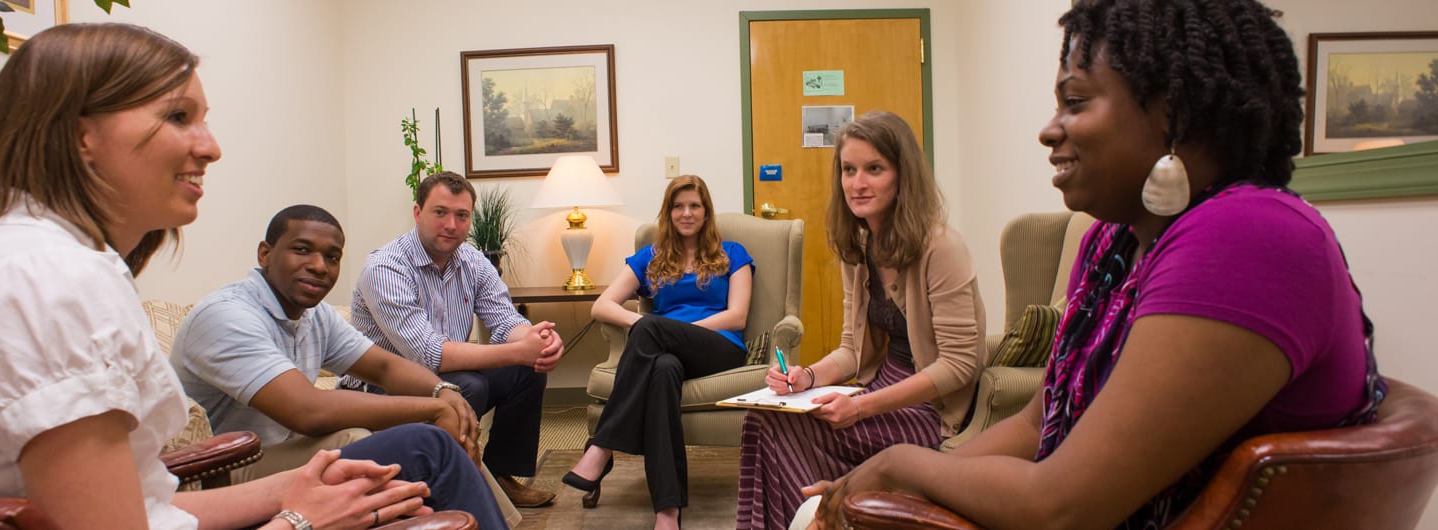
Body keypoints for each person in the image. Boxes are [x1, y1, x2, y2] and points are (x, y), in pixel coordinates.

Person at [804, 1, 1388, 528]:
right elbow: (1038, 427)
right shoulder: (1112, 244)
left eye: (1076, 102)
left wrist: (900, 468)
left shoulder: (1247, 237)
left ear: (1176, 112)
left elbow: (1062, 506)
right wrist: (881, 484)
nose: (1048, 129)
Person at [0, 23, 435, 529]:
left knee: (407, 457)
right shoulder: (48, 278)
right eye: (178, 116)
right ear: (80, 134)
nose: (211, 147)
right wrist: (299, 521)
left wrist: (291, 488)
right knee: (423, 457)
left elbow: (146, 508)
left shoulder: (48, 261)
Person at [171, 204, 509, 529]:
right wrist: (434, 409)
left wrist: (443, 391)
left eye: (332, 257)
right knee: (398, 443)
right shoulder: (227, 316)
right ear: (265, 254)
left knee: (447, 431)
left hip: (278, 453)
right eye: (302, 250)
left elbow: (385, 368)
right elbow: (308, 410)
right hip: (220, 475)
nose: (319, 266)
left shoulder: (313, 315)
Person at [735, 111, 988, 530]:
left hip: (931, 410)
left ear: (902, 176)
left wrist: (861, 405)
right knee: (766, 417)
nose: (857, 183)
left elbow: (961, 364)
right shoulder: (860, 245)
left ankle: (822, 519)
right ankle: (814, 520)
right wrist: (806, 378)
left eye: (874, 169)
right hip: (877, 390)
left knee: (774, 427)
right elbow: (852, 350)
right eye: (849, 170)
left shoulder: (942, 247)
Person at [348, 171, 563, 508]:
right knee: (467, 385)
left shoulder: (472, 261)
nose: (451, 224)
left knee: (527, 370)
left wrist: (537, 339)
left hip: (441, 376)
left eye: (461, 215)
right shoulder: (385, 268)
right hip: (377, 386)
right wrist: (519, 351)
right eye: (440, 212)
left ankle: (500, 475)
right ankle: (448, 482)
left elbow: (505, 319)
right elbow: (429, 355)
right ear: (418, 213)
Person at [562, 175, 754, 529]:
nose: (686, 213)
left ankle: (602, 446)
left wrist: (672, 331)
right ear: (667, 213)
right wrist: (652, 331)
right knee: (663, 369)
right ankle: (667, 510)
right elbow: (602, 306)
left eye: (694, 205)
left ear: (706, 211)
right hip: (664, 351)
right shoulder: (651, 257)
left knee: (651, 328)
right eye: (678, 206)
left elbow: (737, 315)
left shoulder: (733, 253)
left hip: (720, 347)